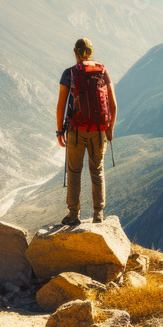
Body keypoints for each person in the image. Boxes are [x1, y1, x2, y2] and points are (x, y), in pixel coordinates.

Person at [56, 37, 117, 225]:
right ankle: (98, 214)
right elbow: (113, 104)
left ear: (76, 52)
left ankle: (73, 215)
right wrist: (109, 129)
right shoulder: (102, 71)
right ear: (90, 52)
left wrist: (60, 131)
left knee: (74, 171)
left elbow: (61, 105)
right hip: (98, 130)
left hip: (76, 130)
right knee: (97, 171)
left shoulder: (69, 73)